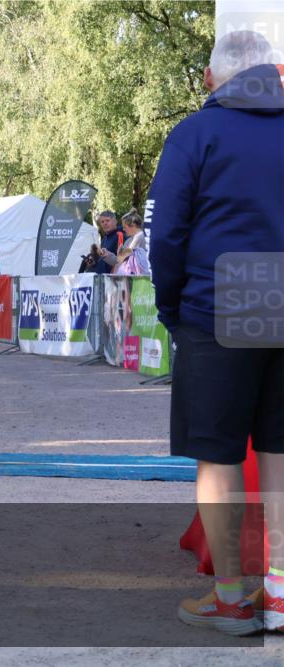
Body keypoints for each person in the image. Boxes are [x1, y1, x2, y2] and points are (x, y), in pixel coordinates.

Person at [148, 31, 283, 636]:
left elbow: (166, 235)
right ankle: (280, 596)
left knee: (219, 456)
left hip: (216, 301)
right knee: (281, 453)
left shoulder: (195, 134)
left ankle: (232, 597)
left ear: (214, 79)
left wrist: (173, 308)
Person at [99, 209, 150, 276]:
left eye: (125, 227)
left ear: (133, 225)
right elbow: (118, 261)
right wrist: (107, 254)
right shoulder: (128, 241)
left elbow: (122, 257)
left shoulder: (141, 237)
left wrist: (120, 254)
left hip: (143, 279)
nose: (123, 229)